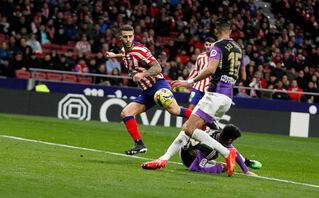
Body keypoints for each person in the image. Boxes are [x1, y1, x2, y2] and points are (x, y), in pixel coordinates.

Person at [141, 18, 247, 177]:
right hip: (227, 98)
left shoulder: (217, 46)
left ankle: (226, 152)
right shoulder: (239, 48)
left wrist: (189, 82)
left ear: (216, 31)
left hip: (214, 95)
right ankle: (164, 158)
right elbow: (243, 77)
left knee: (189, 129)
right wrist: (228, 79)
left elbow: (210, 69)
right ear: (230, 31)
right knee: (189, 128)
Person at [105, 24, 192, 155]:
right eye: (125, 37)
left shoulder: (141, 50)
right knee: (126, 113)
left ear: (134, 36)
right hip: (146, 92)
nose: (128, 39)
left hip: (158, 85)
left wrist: (142, 74)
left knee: (174, 110)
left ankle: (205, 118)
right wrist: (114, 55)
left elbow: (157, 67)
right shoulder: (124, 50)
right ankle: (139, 144)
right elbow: (125, 55)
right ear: (120, 38)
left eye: (130, 36)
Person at [179, 124, 261, 175]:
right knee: (215, 157)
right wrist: (219, 168)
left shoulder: (218, 136)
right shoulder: (209, 145)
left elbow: (234, 153)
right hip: (188, 159)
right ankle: (215, 166)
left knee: (215, 157)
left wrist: (246, 171)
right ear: (230, 140)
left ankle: (211, 164)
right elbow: (194, 169)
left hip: (194, 153)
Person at [187, 37, 215, 110]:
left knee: (205, 111)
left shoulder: (216, 58)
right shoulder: (200, 57)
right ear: (204, 45)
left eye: (210, 45)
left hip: (209, 89)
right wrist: (187, 81)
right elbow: (196, 70)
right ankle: (187, 122)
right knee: (190, 108)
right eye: (207, 44)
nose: (208, 46)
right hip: (197, 87)